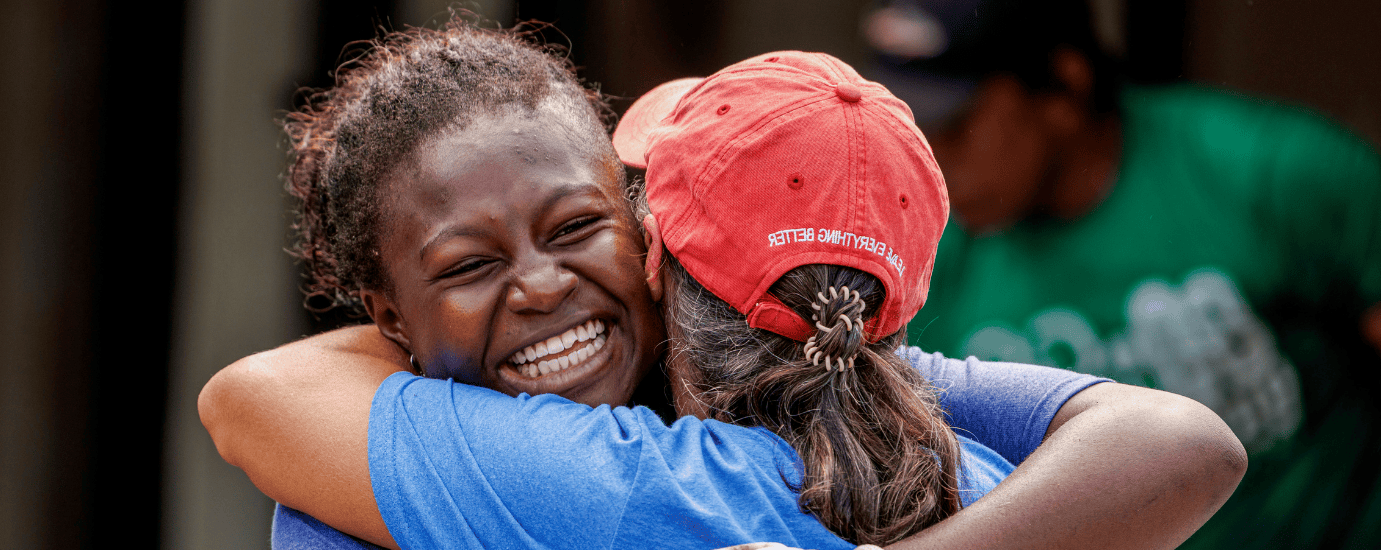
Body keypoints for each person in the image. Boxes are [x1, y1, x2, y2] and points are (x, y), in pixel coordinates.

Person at [203, 21, 1242, 550]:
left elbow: (251, 395)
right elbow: (1181, 440)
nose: (540, 285)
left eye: (578, 227)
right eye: (471, 265)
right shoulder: (961, 462)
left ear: (652, 246)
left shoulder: (422, 477)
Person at [863, 1, 1381, 547]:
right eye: (909, 135)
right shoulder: (917, 247)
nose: (929, 163)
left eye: (954, 127)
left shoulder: (1272, 173)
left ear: (1064, 89)